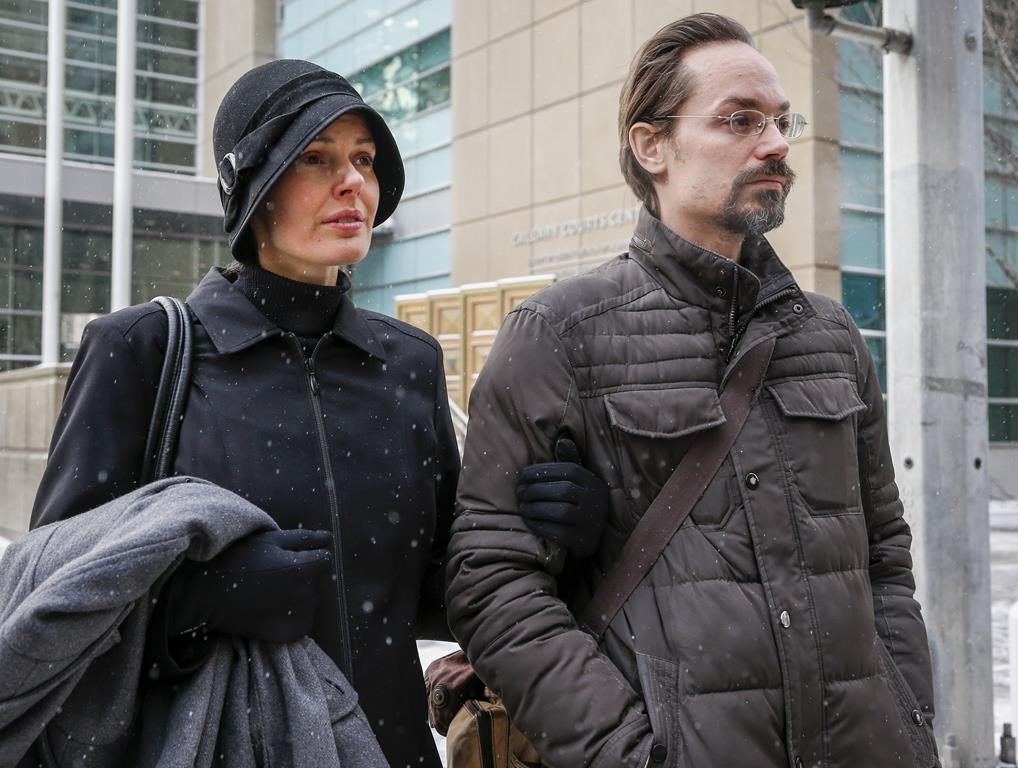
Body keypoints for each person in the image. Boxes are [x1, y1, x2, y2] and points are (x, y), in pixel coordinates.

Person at [30, 59, 597, 768]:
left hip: (386, 749)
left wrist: (550, 534)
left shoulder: (407, 364)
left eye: (364, 159)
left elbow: (443, 585)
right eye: (314, 157)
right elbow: (52, 604)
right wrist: (199, 600)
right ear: (254, 190)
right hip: (219, 747)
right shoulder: (141, 351)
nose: (352, 181)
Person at [445, 13, 938, 768]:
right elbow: (493, 583)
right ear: (652, 147)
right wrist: (628, 753)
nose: (775, 143)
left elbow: (884, 557)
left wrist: (905, 715)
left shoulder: (831, 337)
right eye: (739, 120)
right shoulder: (558, 335)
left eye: (780, 121)